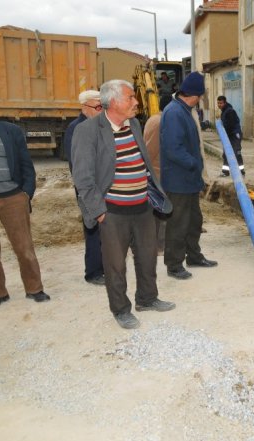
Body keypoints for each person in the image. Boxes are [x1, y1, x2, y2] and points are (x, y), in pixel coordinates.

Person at [71, 79, 175, 329]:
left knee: (148, 257)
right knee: (115, 265)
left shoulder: (134, 124)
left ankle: (147, 298)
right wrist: (98, 212)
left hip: (142, 206)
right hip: (113, 212)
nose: (136, 102)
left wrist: (152, 193)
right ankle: (120, 310)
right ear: (113, 101)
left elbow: (143, 163)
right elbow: (82, 177)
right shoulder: (88, 131)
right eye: (130, 98)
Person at [0, 92, 51, 310]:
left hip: (13, 198)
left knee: (24, 247)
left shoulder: (9, 132)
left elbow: (25, 164)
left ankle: (34, 289)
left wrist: (25, 194)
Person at [161, 72, 218, 280]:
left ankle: (194, 256)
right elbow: (172, 149)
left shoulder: (185, 110)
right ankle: (174, 264)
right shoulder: (175, 113)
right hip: (178, 180)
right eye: (201, 96)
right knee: (178, 223)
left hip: (190, 180)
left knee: (194, 220)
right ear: (194, 95)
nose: (200, 100)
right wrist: (194, 163)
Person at [64, 89, 105, 285]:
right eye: (97, 107)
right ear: (84, 107)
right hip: (87, 188)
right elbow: (76, 163)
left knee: (104, 230)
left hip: (102, 187)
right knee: (92, 228)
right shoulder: (76, 128)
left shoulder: (100, 125)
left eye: (102, 106)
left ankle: (103, 267)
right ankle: (93, 272)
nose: (100, 110)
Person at [143, 101, 167, 256]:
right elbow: (151, 149)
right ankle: (157, 246)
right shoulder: (159, 122)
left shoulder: (154, 118)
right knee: (159, 213)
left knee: (156, 212)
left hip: (155, 172)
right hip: (157, 173)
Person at [217, 96, 245, 177]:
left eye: (221, 103)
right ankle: (225, 172)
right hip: (228, 135)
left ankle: (241, 172)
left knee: (237, 153)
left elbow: (230, 125)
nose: (219, 105)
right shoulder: (224, 111)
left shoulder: (230, 111)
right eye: (218, 103)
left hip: (234, 135)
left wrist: (223, 132)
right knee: (226, 153)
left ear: (225, 103)